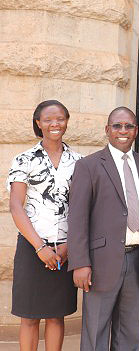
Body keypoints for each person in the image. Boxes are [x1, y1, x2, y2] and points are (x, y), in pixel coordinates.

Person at [67, 107, 139, 350]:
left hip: (138, 259)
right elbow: (77, 218)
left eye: (129, 126)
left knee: (130, 331)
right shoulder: (88, 166)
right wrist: (80, 263)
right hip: (100, 262)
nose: (123, 131)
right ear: (107, 130)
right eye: (117, 126)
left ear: (136, 131)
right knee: (96, 329)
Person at [7, 100, 81, 351]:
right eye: (48, 119)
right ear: (38, 123)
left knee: (55, 314)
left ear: (67, 121)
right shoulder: (24, 159)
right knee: (29, 316)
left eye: (60, 118)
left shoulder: (79, 162)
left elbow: (82, 208)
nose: (55, 124)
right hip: (32, 247)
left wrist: (68, 246)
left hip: (64, 250)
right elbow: (16, 206)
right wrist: (40, 248)